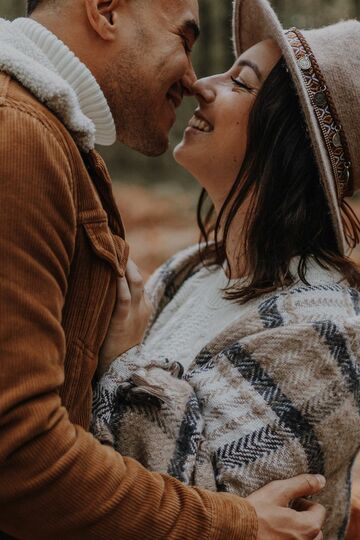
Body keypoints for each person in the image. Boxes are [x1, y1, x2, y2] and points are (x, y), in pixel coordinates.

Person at [0, 0, 328, 538]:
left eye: (241, 83)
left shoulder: (45, 138)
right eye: (185, 39)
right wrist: (234, 526)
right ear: (105, 10)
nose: (197, 80)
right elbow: (20, 454)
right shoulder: (20, 137)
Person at [92, 0, 360, 538]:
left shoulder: (326, 330)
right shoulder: (188, 275)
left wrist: (122, 359)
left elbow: (204, 504)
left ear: (289, 140)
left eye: (241, 83)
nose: (200, 84)